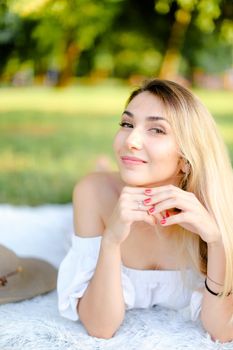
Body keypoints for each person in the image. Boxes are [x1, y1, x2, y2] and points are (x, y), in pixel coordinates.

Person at [57, 79, 233, 342]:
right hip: (106, 192)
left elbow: (221, 330)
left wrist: (217, 241)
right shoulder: (92, 192)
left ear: (186, 160)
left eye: (157, 130)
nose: (131, 140)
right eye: (127, 124)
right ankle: (104, 168)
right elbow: (100, 327)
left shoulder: (220, 205)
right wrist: (111, 240)